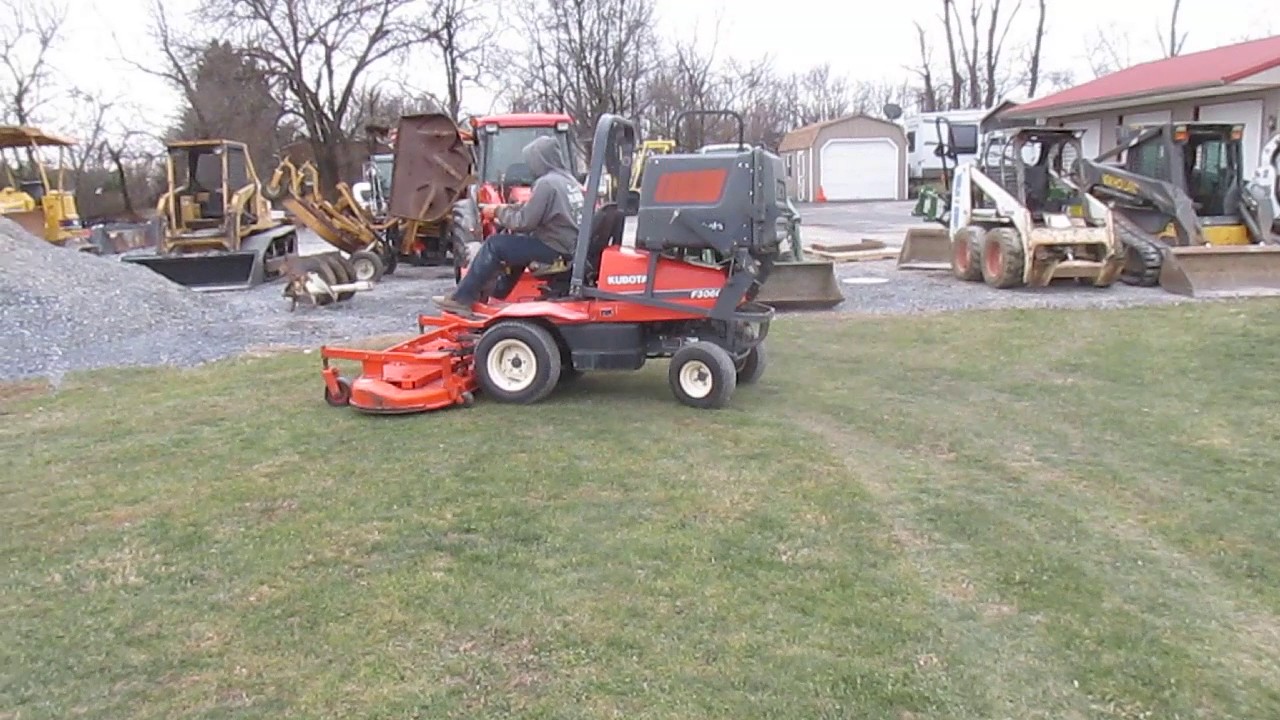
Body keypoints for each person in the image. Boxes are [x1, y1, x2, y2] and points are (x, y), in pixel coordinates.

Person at [433, 135, 585, 316]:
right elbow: (535, 210)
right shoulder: (568, 181)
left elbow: (525, 221)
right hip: (569, 245)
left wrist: (497, 212)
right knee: (517, 244)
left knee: (495, 244)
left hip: (555, 248)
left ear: (540, 159)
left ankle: (461, 299)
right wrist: (506, 208)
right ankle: (497, 295)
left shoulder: (546, 183)